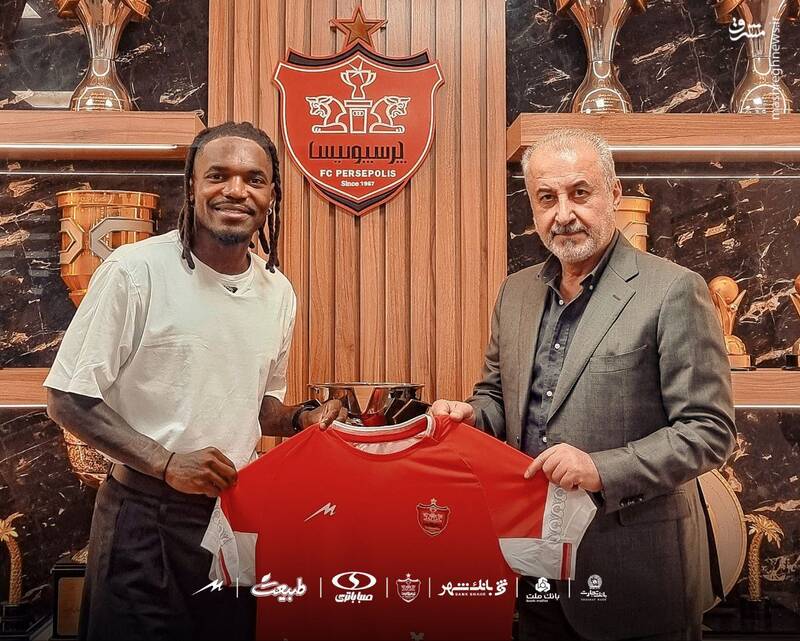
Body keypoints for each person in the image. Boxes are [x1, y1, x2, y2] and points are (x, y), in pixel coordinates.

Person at [45, 121, 345, 641]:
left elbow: (258, 406)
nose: (236, 190)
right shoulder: (135, 270)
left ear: (272, 195)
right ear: (191, 186)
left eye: (254, 179)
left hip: (235, 518)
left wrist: (302, 417)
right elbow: (67, 397)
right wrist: (166, 463)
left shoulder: (277, 291)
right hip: (143, 518)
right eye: (218, 175)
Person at [432, 128, 736, 641]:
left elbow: (708, 432)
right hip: (535, 566)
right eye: (546, 198)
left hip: (635, 578)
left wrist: (600, 469)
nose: (564, 213)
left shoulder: (673, 290)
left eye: (579, 192)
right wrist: (471, 415)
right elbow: (498, 397)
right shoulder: (516, 293)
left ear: (613, 194)